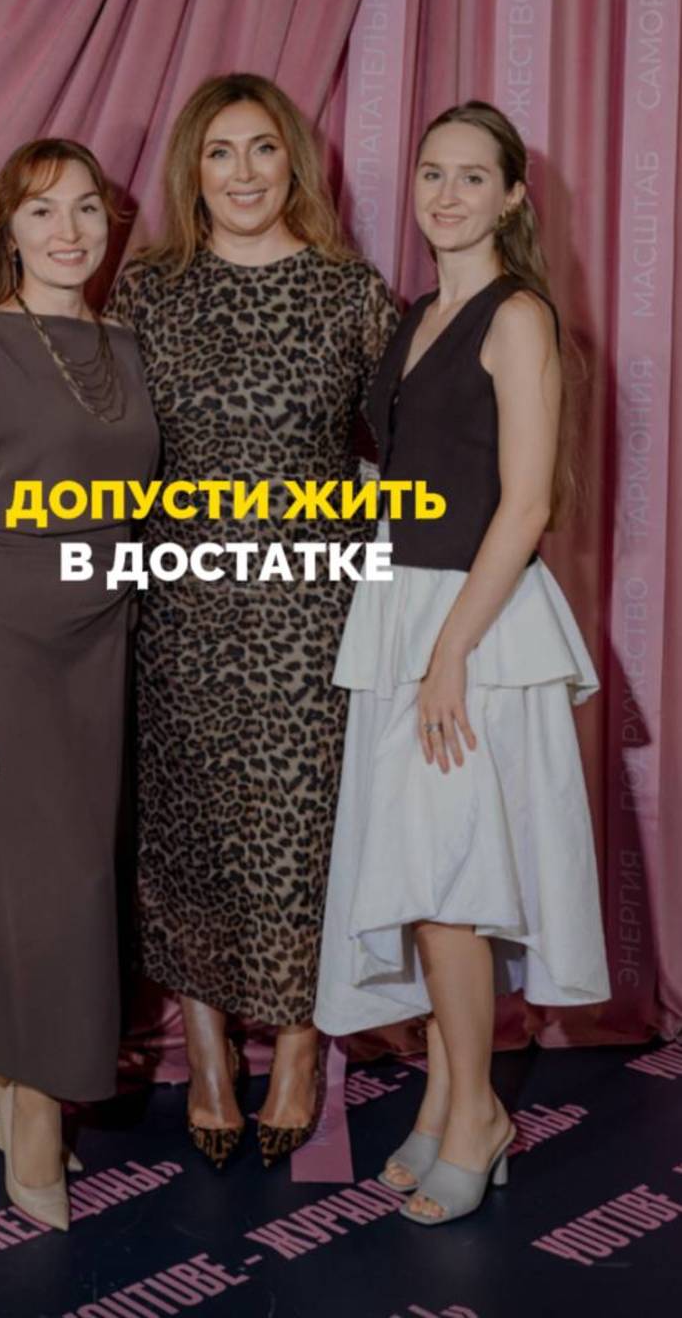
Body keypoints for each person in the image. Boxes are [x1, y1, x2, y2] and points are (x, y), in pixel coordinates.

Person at [315, 100, 610, 1225]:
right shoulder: (416, 315)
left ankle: (479, 1115)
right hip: (403, 608)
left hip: (472, 624)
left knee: (448, 889)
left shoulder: (517, 315)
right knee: (430, 882)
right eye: (432, 173)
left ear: (512, 196)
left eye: (472, 176)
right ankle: (444, 1104)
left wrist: (448, 655)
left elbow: (526, 504)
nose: (446, 194)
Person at [106, 72, 398, 1166]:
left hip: (312, 612)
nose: (242, 173)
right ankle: (209, 1054)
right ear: (193, 169)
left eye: (263, 149)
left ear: (295, 165)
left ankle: (304, 1049)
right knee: (189, 830)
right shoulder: (150, 291)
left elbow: (414, 436)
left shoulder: (347, 290)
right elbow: (100, 439)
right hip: (179, 606)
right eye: (220, 151)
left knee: (302, 834)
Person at [0, 139, 159, 1229]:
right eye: (43, 211)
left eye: (86, 209)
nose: (69, 231)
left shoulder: (130, 344)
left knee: (81, 880)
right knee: (33, 880)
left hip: (110, 634)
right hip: (6, 634)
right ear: (7, 228)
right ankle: (37, 1106)